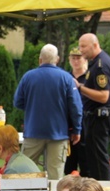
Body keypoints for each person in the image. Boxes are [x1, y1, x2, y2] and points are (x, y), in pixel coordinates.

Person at [13, 43, 82, 180]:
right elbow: (75, 106)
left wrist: (33, 106)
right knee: (55, 176)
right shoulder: (66, 78)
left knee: (25, 172)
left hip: (33, 132)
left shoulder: (28, 77)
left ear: (40, 59)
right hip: (58, 133)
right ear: (57, 59)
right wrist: (76, 129)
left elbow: (17, 102)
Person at [77, 33, 110, 180]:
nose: (80, 50)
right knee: (93, 158)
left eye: (83, 46)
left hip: (99, 116)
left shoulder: (101, 65)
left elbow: (103, 96)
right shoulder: (96, 63)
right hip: (95, 116)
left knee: (99, 158)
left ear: (95, 45)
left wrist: (80, 88)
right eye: (79, 46)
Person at [65, 47, 88, 176]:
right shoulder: (66, 77)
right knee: (69, 161)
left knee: (86, 160)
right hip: (70, 123)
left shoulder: (90, 76)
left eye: (78, 58)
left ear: (84, 59)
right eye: (73, 58)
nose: (76, 61)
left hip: (86, 121)